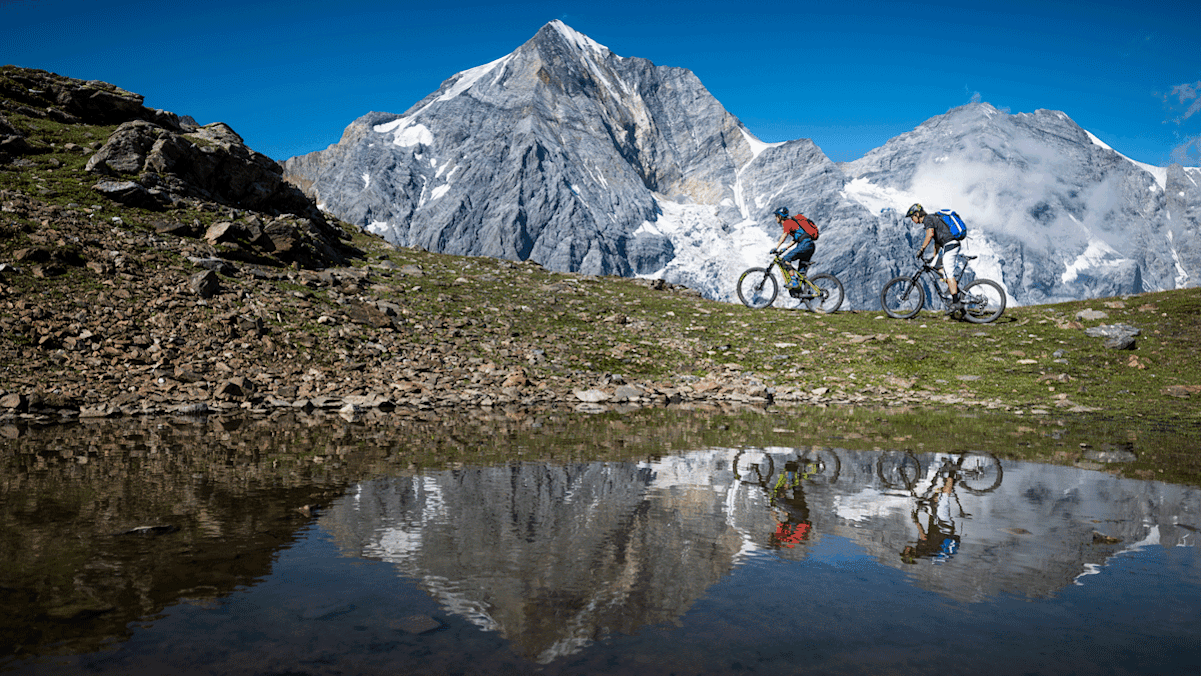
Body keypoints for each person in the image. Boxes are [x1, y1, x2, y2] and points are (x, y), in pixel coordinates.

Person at [906, 203, 962, 311]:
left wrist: (922, 249)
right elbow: (937, 243)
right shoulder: (933, 219)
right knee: (935, 267)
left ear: (917, 214)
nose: (912, 220)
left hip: (951, 245)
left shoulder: (928, 219)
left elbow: (930, 234)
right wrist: (933, 258)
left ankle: (956, 302)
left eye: (912, 217)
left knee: (949, 272)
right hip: (948, 245)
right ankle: (954, 289)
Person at [769, 207, 817, 292]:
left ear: (780, 217)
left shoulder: (787, 223)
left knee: (786, 259)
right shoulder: (793, 223)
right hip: (810, 245)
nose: (775, 218)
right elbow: (796, 239)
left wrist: (776, 248)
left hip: (804, 244)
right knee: (802, 274)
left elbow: (784, 235)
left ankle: (794, 281)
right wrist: (785, 248)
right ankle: (808, 293)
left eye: (776, 216)